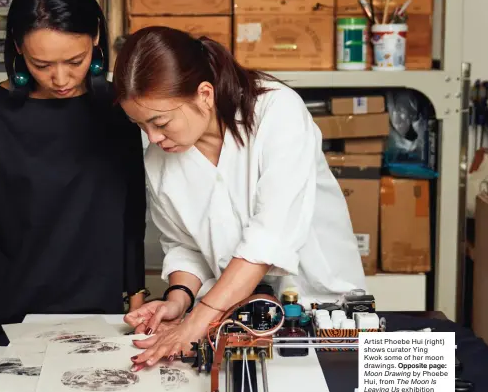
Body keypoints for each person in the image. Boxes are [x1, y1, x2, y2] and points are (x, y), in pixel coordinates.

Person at [113, 26, 367, 370]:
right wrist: (178, 300)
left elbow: (269, 237)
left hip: (319, 308)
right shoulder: (160, 159)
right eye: (140, 125)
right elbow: (185, 246)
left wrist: (197, 320)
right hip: (236, 318)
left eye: (160, 121)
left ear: (204, 94)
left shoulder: (277, 112)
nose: (153, 137)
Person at [0, 0, 147, 352]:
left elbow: (131, 215)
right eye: (41, 64)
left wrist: (136, 294)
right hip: (10, 318)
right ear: (19, 48)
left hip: (102, 317)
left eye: (76, 61)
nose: (60, 79)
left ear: (96, 39)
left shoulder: (118, 111)